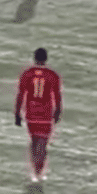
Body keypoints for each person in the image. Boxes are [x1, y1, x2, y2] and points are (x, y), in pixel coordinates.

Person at [15, 47, 62, 183]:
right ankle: (39, 171)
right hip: (46, 113)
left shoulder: (27, 74)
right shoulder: (52, 75)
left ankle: (34, 170)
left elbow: (21, 94)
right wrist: (58, 111)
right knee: (43, 142)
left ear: (34, 59)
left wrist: (17, 113)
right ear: (46, 59)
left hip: (31, 112)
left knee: (34, 141)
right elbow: (57, 95)